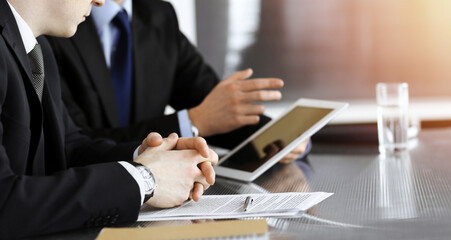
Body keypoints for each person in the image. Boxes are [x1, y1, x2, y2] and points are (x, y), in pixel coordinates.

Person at [0, 0, 218, 238]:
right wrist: (145, 179)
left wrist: (150, 158)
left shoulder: (37, 47)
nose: (100, 1)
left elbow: (69, 148)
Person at [46, 0, 310, 163]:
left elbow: (214, 104)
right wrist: (193, 122)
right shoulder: (55, 21)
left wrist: (278, 137)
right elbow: (73, 141)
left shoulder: (159, 15)